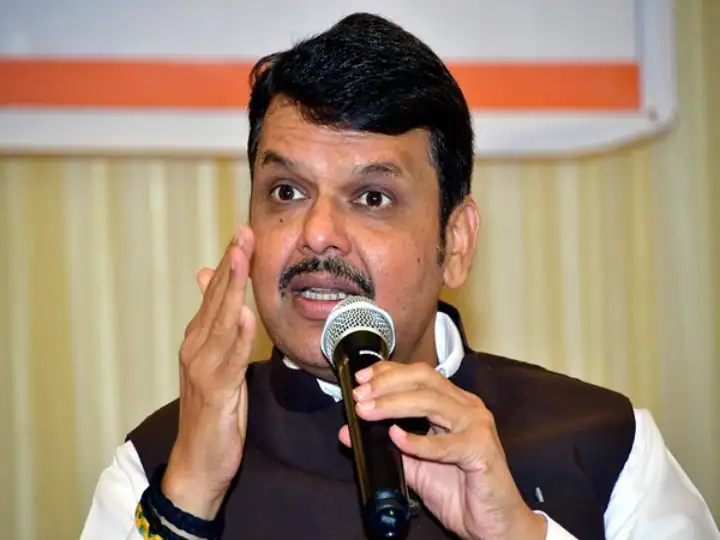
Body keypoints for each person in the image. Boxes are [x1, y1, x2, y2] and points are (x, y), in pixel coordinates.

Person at [80, 12, 719, 540]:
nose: (317, 233)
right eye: (286, 191)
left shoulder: (605, 446)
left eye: (373, 198)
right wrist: (188, 500)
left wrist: (520, 534)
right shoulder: (158, 462)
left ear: (455, 242)